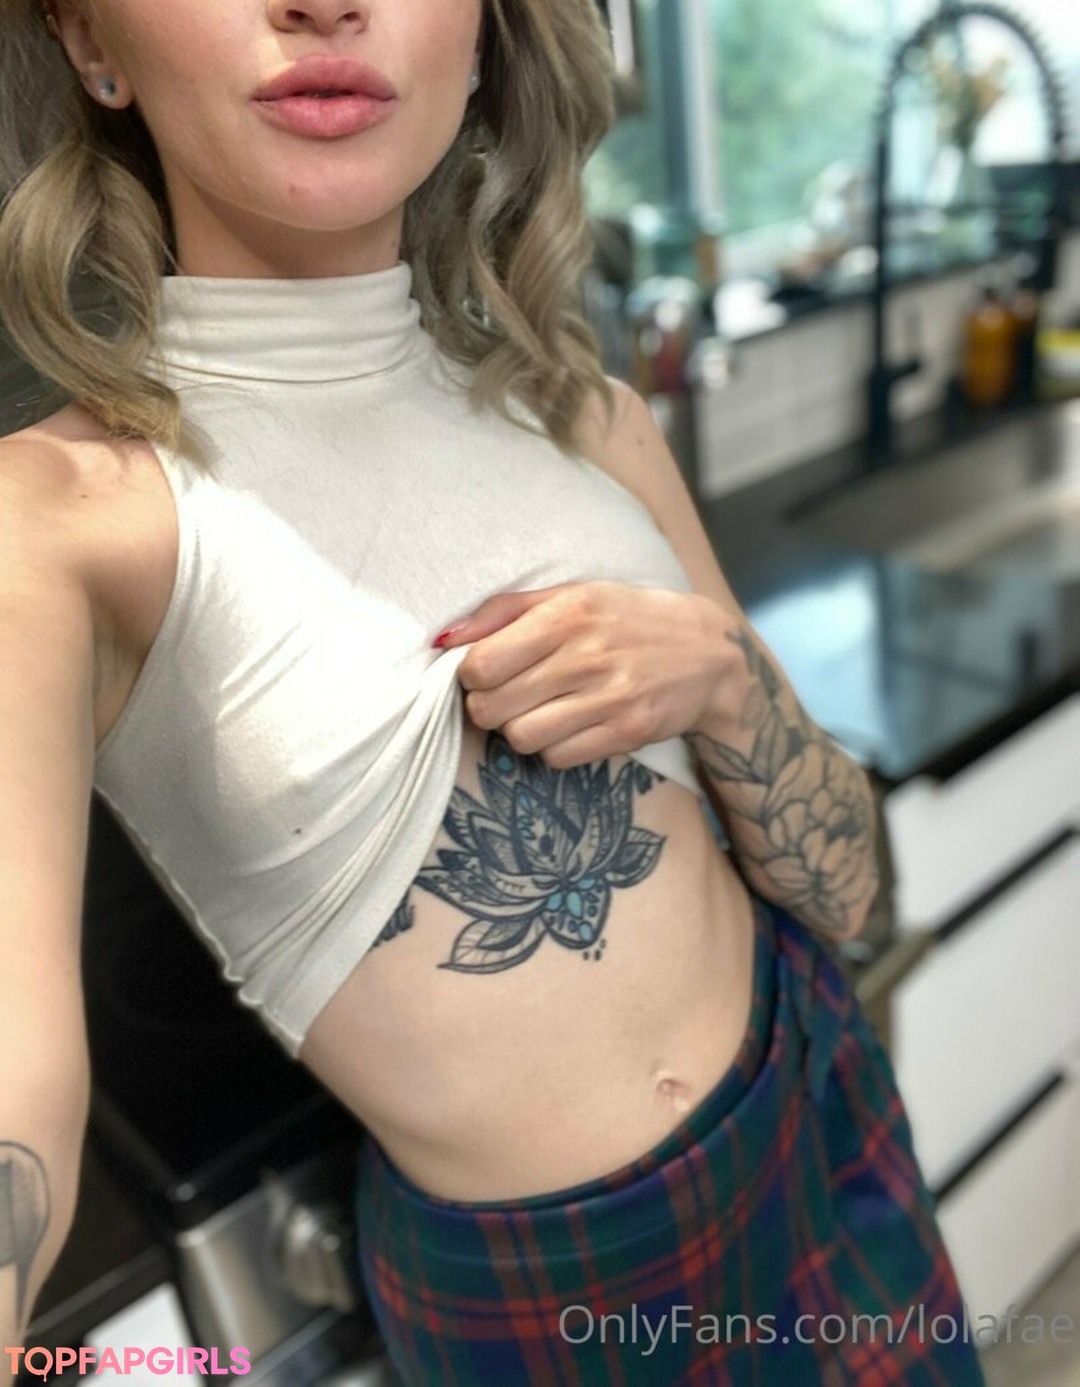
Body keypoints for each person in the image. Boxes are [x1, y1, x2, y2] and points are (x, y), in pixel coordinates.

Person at [0, 2, 986, 1383]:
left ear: (476, 42)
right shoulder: (51, 524)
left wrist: (728, 682)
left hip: (821, 1101)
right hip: (553, 1289)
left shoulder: (584, 413)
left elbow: (854, 892)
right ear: (91, 40)